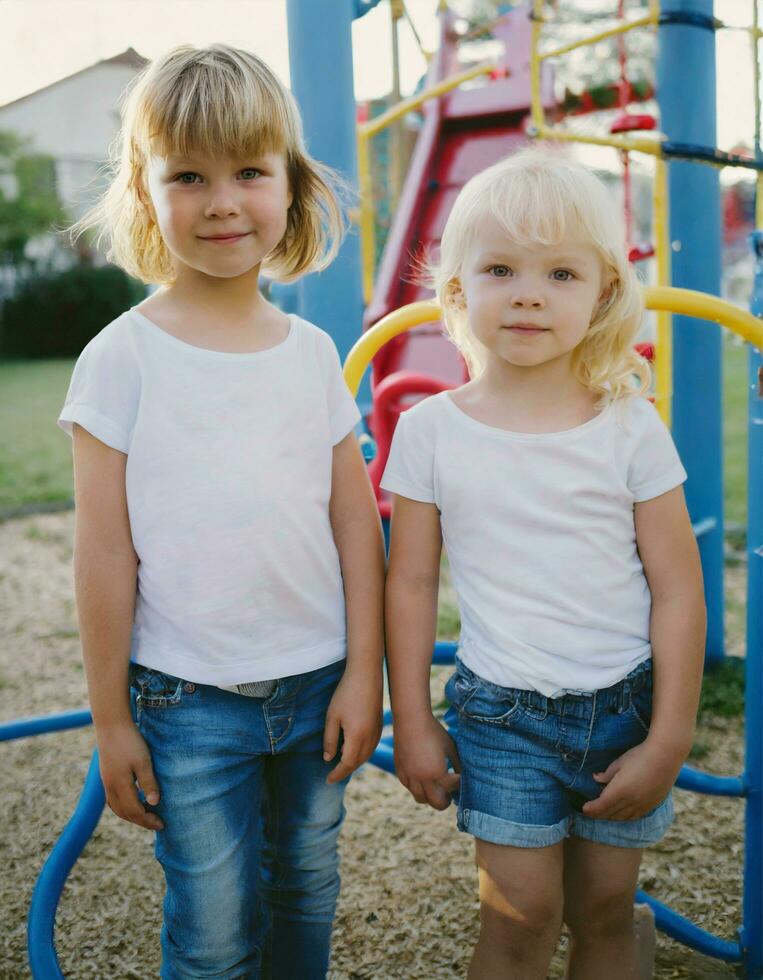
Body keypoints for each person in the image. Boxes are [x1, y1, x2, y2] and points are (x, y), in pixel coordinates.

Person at [59, 44, 385, 980]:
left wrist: (364, 673)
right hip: (188, 701)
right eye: (189, 177)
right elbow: (104, 555)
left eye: (249, 171)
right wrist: (112, 719)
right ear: (145, 191)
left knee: (306, 890)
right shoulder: (121, 359)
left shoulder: (313, 353)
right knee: (211, 930)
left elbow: (354, 525)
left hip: (317, 682)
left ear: (290, 184)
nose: (223, 201)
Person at [381, 148, 706, 979]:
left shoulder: (630, 426)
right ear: (456, 291)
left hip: (626, 711)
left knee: (603, 910)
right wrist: (412, 720)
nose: (527, 292)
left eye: (560, 273)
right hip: (503, 719)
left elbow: (676, 590)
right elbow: (410, 584)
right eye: (500, 269)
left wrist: (668, 737)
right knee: (520, 914)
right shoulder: (429, 433)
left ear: (601, 293)